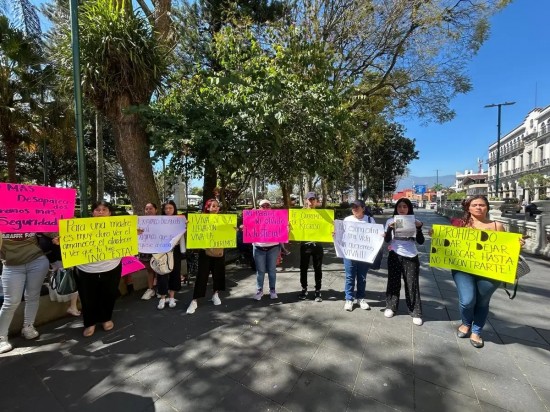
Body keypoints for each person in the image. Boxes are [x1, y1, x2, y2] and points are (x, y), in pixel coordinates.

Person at [443, 195, 525, 348]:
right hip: (463, 269)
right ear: (468, 208)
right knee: (467, 301)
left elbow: (505, 249)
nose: (478, 207)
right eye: (474, 205)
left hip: (490, 272)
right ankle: (466, 323)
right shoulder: (460, 224)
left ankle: (476, 331)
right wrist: (436, 236)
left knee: (482, 301)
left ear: (487, 207)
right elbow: (447, 242)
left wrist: (517, 245)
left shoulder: (497, 226)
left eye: (481, 205)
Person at [75, 201, 122, 337]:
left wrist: (134, 234)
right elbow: (70, 240)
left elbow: (128, 240)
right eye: (97, 209)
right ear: (93, 212)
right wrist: (60, 241)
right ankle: (90, 322)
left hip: (111, 266)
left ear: (110, 213)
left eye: (104, 209)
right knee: (87, 297)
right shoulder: (80, 226)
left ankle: (106, 318)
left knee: (109, 294)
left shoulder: (119, 226)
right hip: (86, 268)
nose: (101, 212)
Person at [0, 232, 51, 353]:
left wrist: (59, 235)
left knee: (33, 296)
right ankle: (1, 337)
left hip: (37, 261)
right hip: (11, 265)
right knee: (11, 302)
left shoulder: (32, 218)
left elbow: (51, 230)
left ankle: (28, 326)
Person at [383, 198, 425, 326]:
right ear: (396, 208)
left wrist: (419, 228)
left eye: (405, 207)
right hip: (394, 254)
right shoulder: (390, 221)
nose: (402, 209)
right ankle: (391, 306)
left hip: (411, 256)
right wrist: (389, 229)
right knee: (393, 281)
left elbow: (421, 241)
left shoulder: (415, 221)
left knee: (412, 284)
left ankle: (415, 311)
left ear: (409, 208)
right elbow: (387, 240)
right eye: (399, 206)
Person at [186, 198, 226, 314]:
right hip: (205, 252)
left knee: (218, 273)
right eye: (213, 206)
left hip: (218, 251)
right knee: (202, 275)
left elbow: (227, 233)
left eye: (217, 206)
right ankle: (195, 300)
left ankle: (215, 294)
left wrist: (233, 229)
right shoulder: (200, 219)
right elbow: (194, 232)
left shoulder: (223, 219)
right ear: (207, 207)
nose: (215, 208)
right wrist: (189, 226)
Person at [342, 200, 374, 311]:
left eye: (357, 207)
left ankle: (360, 298)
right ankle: (349, 299)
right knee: (349, 277)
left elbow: (375, 236)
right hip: (349, 253)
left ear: (363, 208)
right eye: (353, 207)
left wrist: (381, 235)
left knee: (362, 277)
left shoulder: (370, 220)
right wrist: (335, 234)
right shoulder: (347, 220)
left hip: (364, 254)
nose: (354, 209)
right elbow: (341, 235)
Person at [156, 200, 185, 310]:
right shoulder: (159, 221)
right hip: (162, 250)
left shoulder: (180, 220)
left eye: (170, 208)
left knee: (175, 272)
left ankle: (172, 296)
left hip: (175, 250)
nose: (168, 210)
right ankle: (162, 297)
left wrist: (186, 225)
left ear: (174, 209)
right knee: (162, 273)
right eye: (166, 208)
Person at [252, 199, 280, 300]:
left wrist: (287, 227)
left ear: (271, 208)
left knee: (272, 270)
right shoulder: (253, 217)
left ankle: (272, 290)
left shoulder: (276, 217)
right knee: (260, 271)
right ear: (259, 208)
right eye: (263, 206)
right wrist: (249, 219)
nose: (265, 208)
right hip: (258, 247)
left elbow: (282, 230)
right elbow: (247, 228)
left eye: (267, 206)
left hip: (273, 247)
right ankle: (259, 290)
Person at [298, 191, 324, 302]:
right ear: (306, 200)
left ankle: (317, 290)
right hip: (305, 245)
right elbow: (296, 227)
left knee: (318, 268)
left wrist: (332, 228)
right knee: (303, 268)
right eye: (310, 199)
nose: (311, 201)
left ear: (316, 201)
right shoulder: (299, 213)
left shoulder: (323, 214)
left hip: (318, 245)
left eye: (313, 199)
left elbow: (326, 228)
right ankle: (304, 288)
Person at [140, 202, 159, 300]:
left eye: (151, 208)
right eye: (146, 209)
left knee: (160, 269)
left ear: (156, 210)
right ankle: (150, 289)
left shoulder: (162, 221)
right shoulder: (140, 221)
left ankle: (160, 288)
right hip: (146, 248)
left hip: (159, 248)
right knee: (149, 270)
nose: (148, 211)